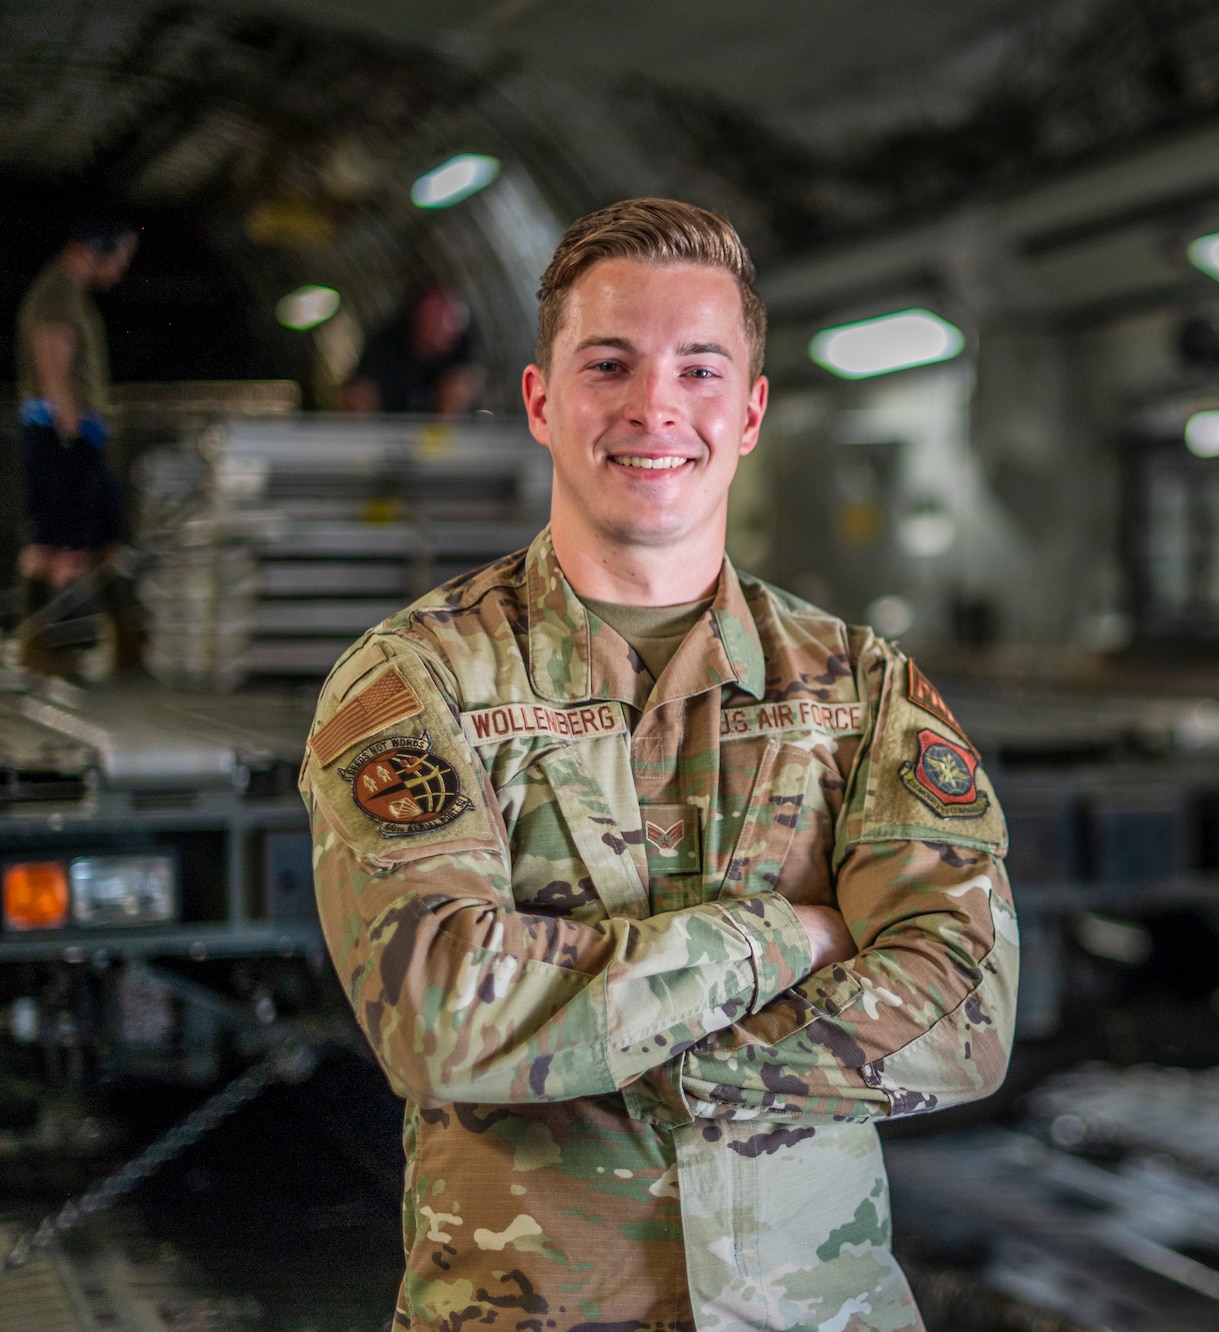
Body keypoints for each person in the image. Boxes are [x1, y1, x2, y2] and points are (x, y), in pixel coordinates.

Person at [302, 198, 1016, 1332]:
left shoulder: (861, 687)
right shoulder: (415, 685)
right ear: (541, 401)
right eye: (608, 365)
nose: (653, 409)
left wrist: (636, 1064)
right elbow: (441, 1017)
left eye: (698, 370)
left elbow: (965, 1014)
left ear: (748, 413)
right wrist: (790, 938)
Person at [13, 217, 139, 673]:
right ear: (93, 248)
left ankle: (126, 642)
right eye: (120, 256)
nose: (121, 269)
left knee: (107, 537)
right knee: (55, 542)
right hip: (59, 435)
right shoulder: (56, 295)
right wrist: (73, 435)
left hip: (78, 434)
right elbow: (53, 366)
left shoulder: (73, 296)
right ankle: (37, 645)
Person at [342, 281, 484, 414]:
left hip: (435, 434)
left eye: (451, 318)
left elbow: (469, 381)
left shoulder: (463, 345)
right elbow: (361, 390)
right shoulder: (386, 342)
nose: (446, 325)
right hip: (388, 428)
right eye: (435, 317)